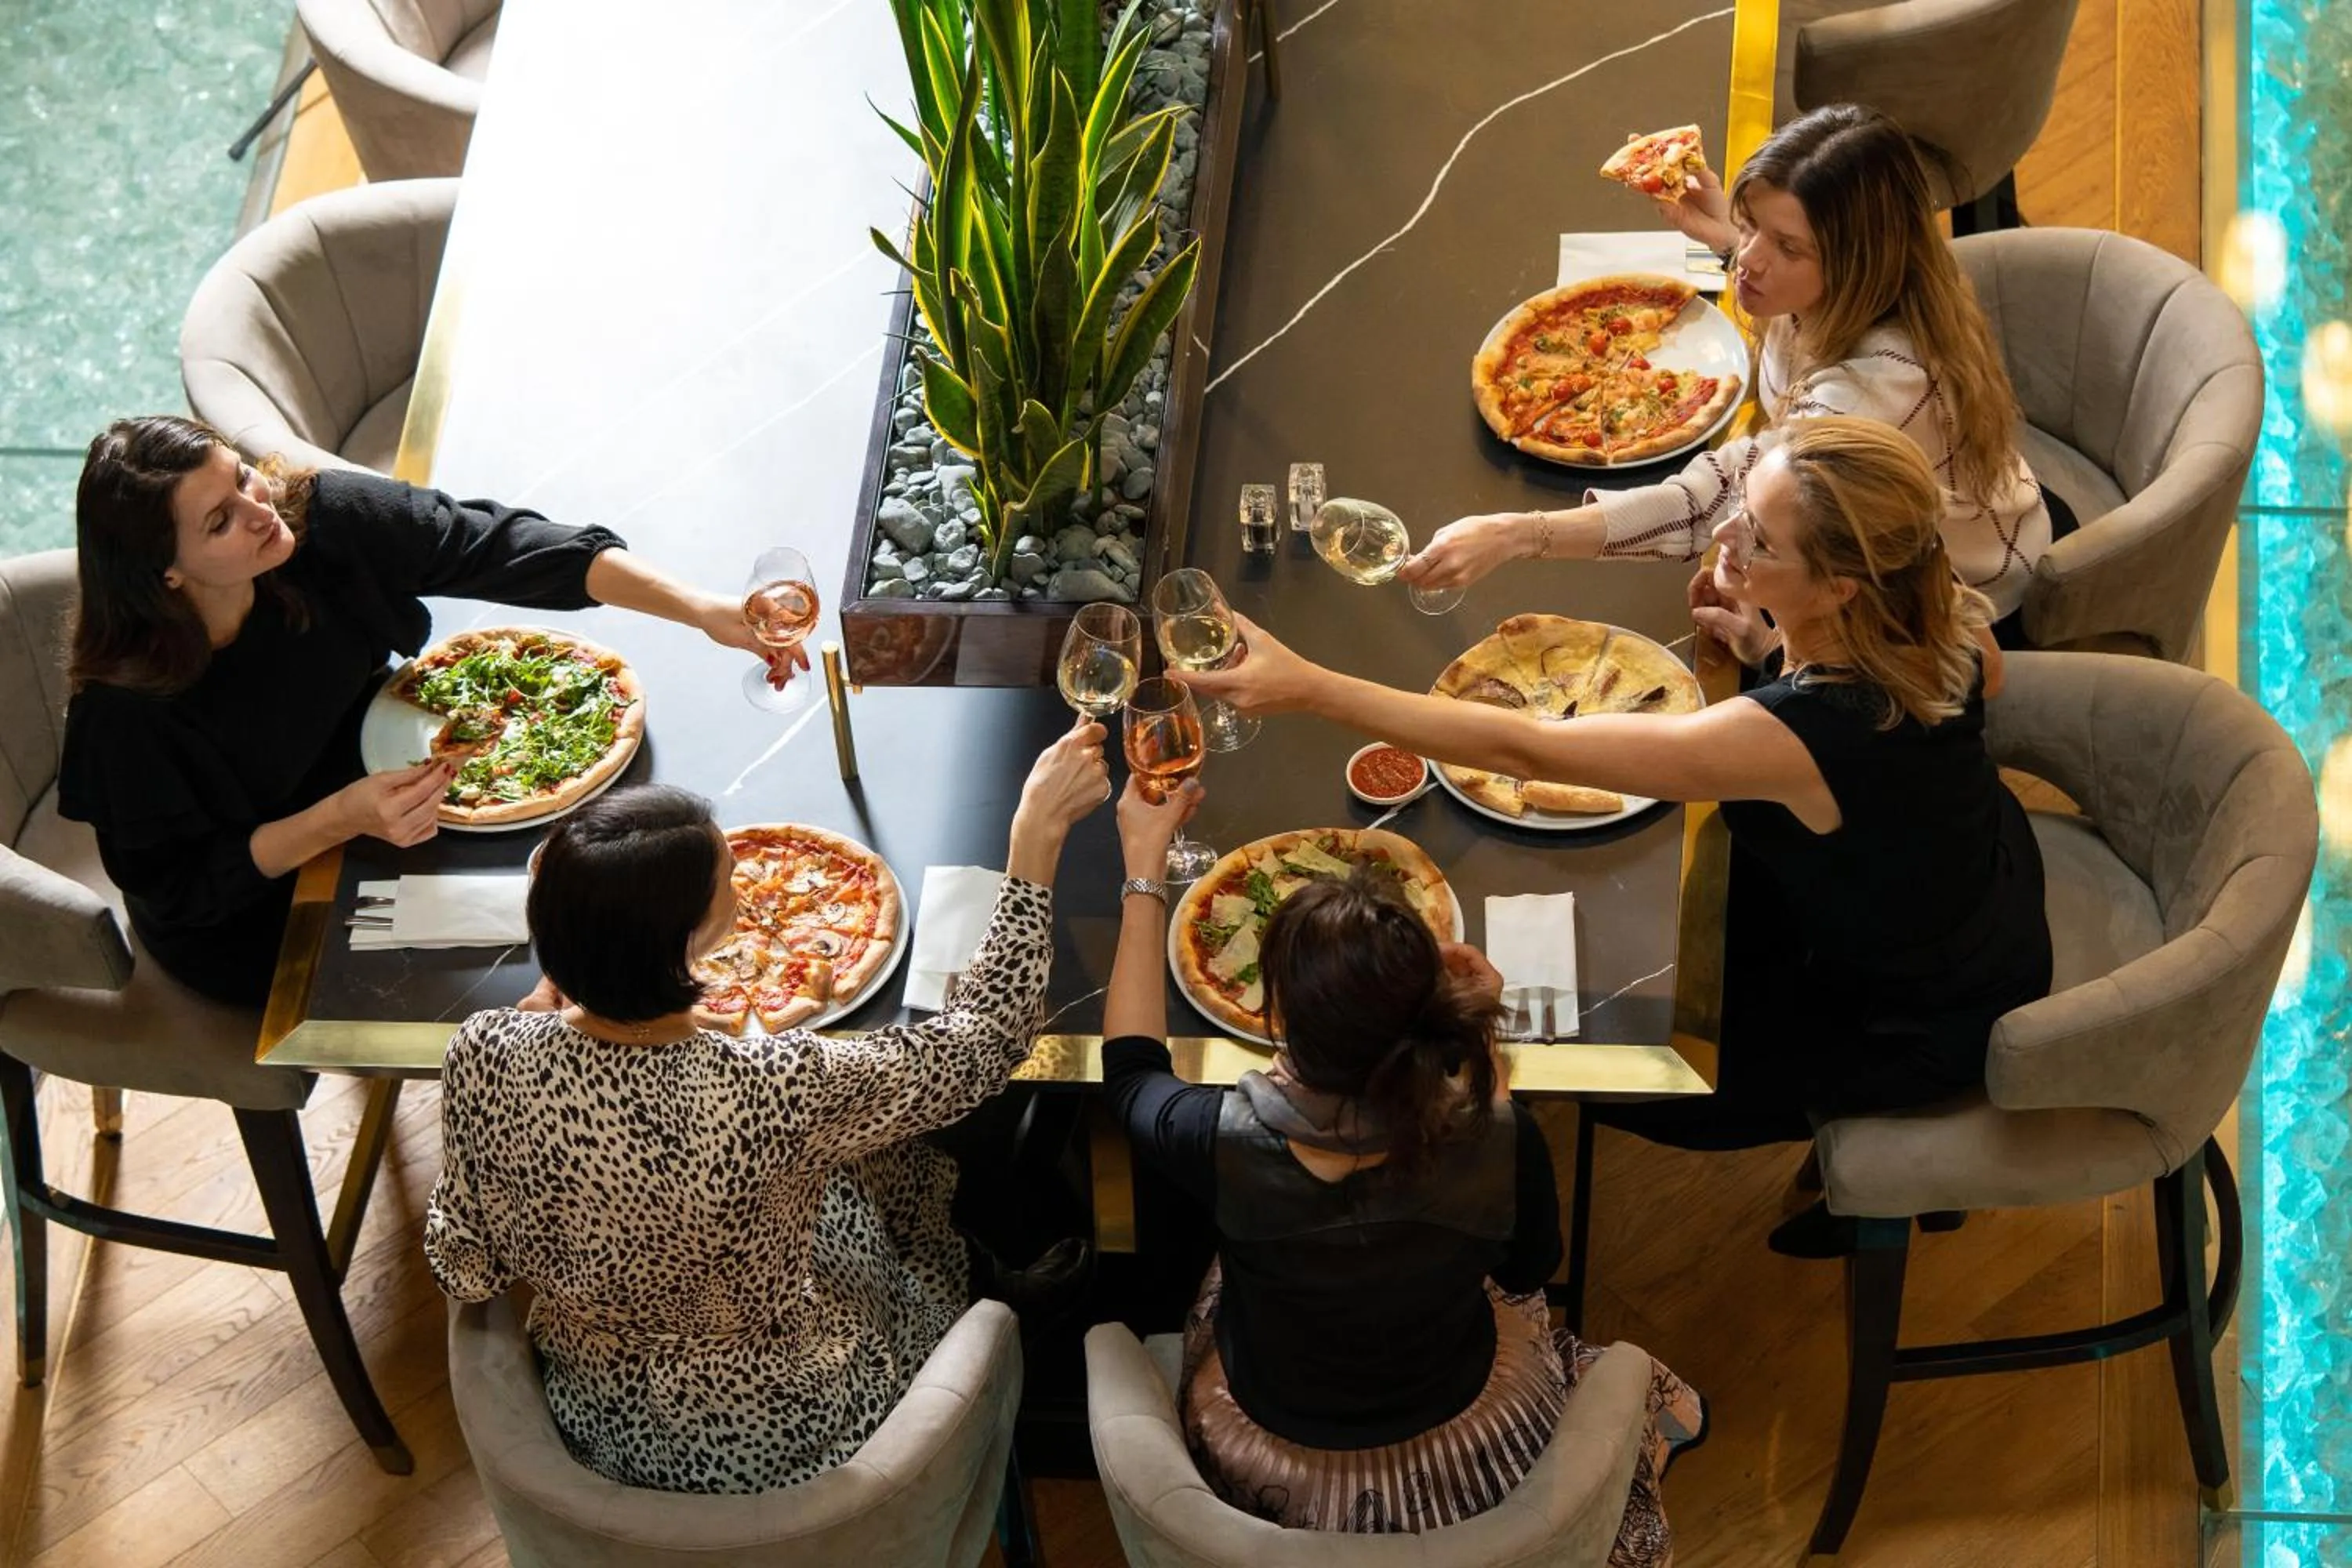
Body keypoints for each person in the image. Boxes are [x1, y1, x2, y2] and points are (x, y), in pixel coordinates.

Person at [1187, 418, 2053, 1257]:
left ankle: (1904, 1194)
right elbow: (1987, 672)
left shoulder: (1802, 733)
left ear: (1841, 590)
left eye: (1761, 539)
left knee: (1609, 1073)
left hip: (1903, 1010)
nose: (1728, 534)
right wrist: (1772, 639)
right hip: (1968, 884)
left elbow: (1525, 747)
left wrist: (1309, 686)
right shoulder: (1940, 606)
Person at [424, 720, 1110, 1494]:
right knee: (897, 1163)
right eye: (730, 886)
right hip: (803, 1416)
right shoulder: (775, 1082)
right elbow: (986, 1041)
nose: (745, 892)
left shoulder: (482, 1046)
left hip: (601, 1415)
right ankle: (991, 1295)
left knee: (852, 1162)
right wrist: (1034, 840)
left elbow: (468, 1268)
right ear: (692, 942)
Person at [1102, 779, 1702, 1556]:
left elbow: (1130, 1074)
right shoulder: (1499, 1134)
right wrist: (1484, 1040)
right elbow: (1528, 1272)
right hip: (1458, 1413)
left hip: (1274, 1425)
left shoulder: (1216, 1137)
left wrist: (1143, 869)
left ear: (1278, 1018)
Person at [57, 414, 800, 1007]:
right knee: (576, 961)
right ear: (169, 573)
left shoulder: (313, 519)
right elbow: (185, 890)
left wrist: (704, 608)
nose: (260, 512)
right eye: (221, 520)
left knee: (603, 913)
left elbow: (496, 544)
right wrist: (341, 816)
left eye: (244, 477)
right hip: (262, 917)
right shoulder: (125, 713)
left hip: (399, 783)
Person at [1404, 103, 2062, 642]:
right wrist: (1726, 232)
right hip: (1865, 544)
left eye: (1787, 246)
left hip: (1955, 604)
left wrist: (1517, 534)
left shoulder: (1880, 387)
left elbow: (1716, 501)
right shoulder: (1873, 287)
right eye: (1751, 226)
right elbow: (1772, 285)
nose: (1748, 261)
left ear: (1855, 262)